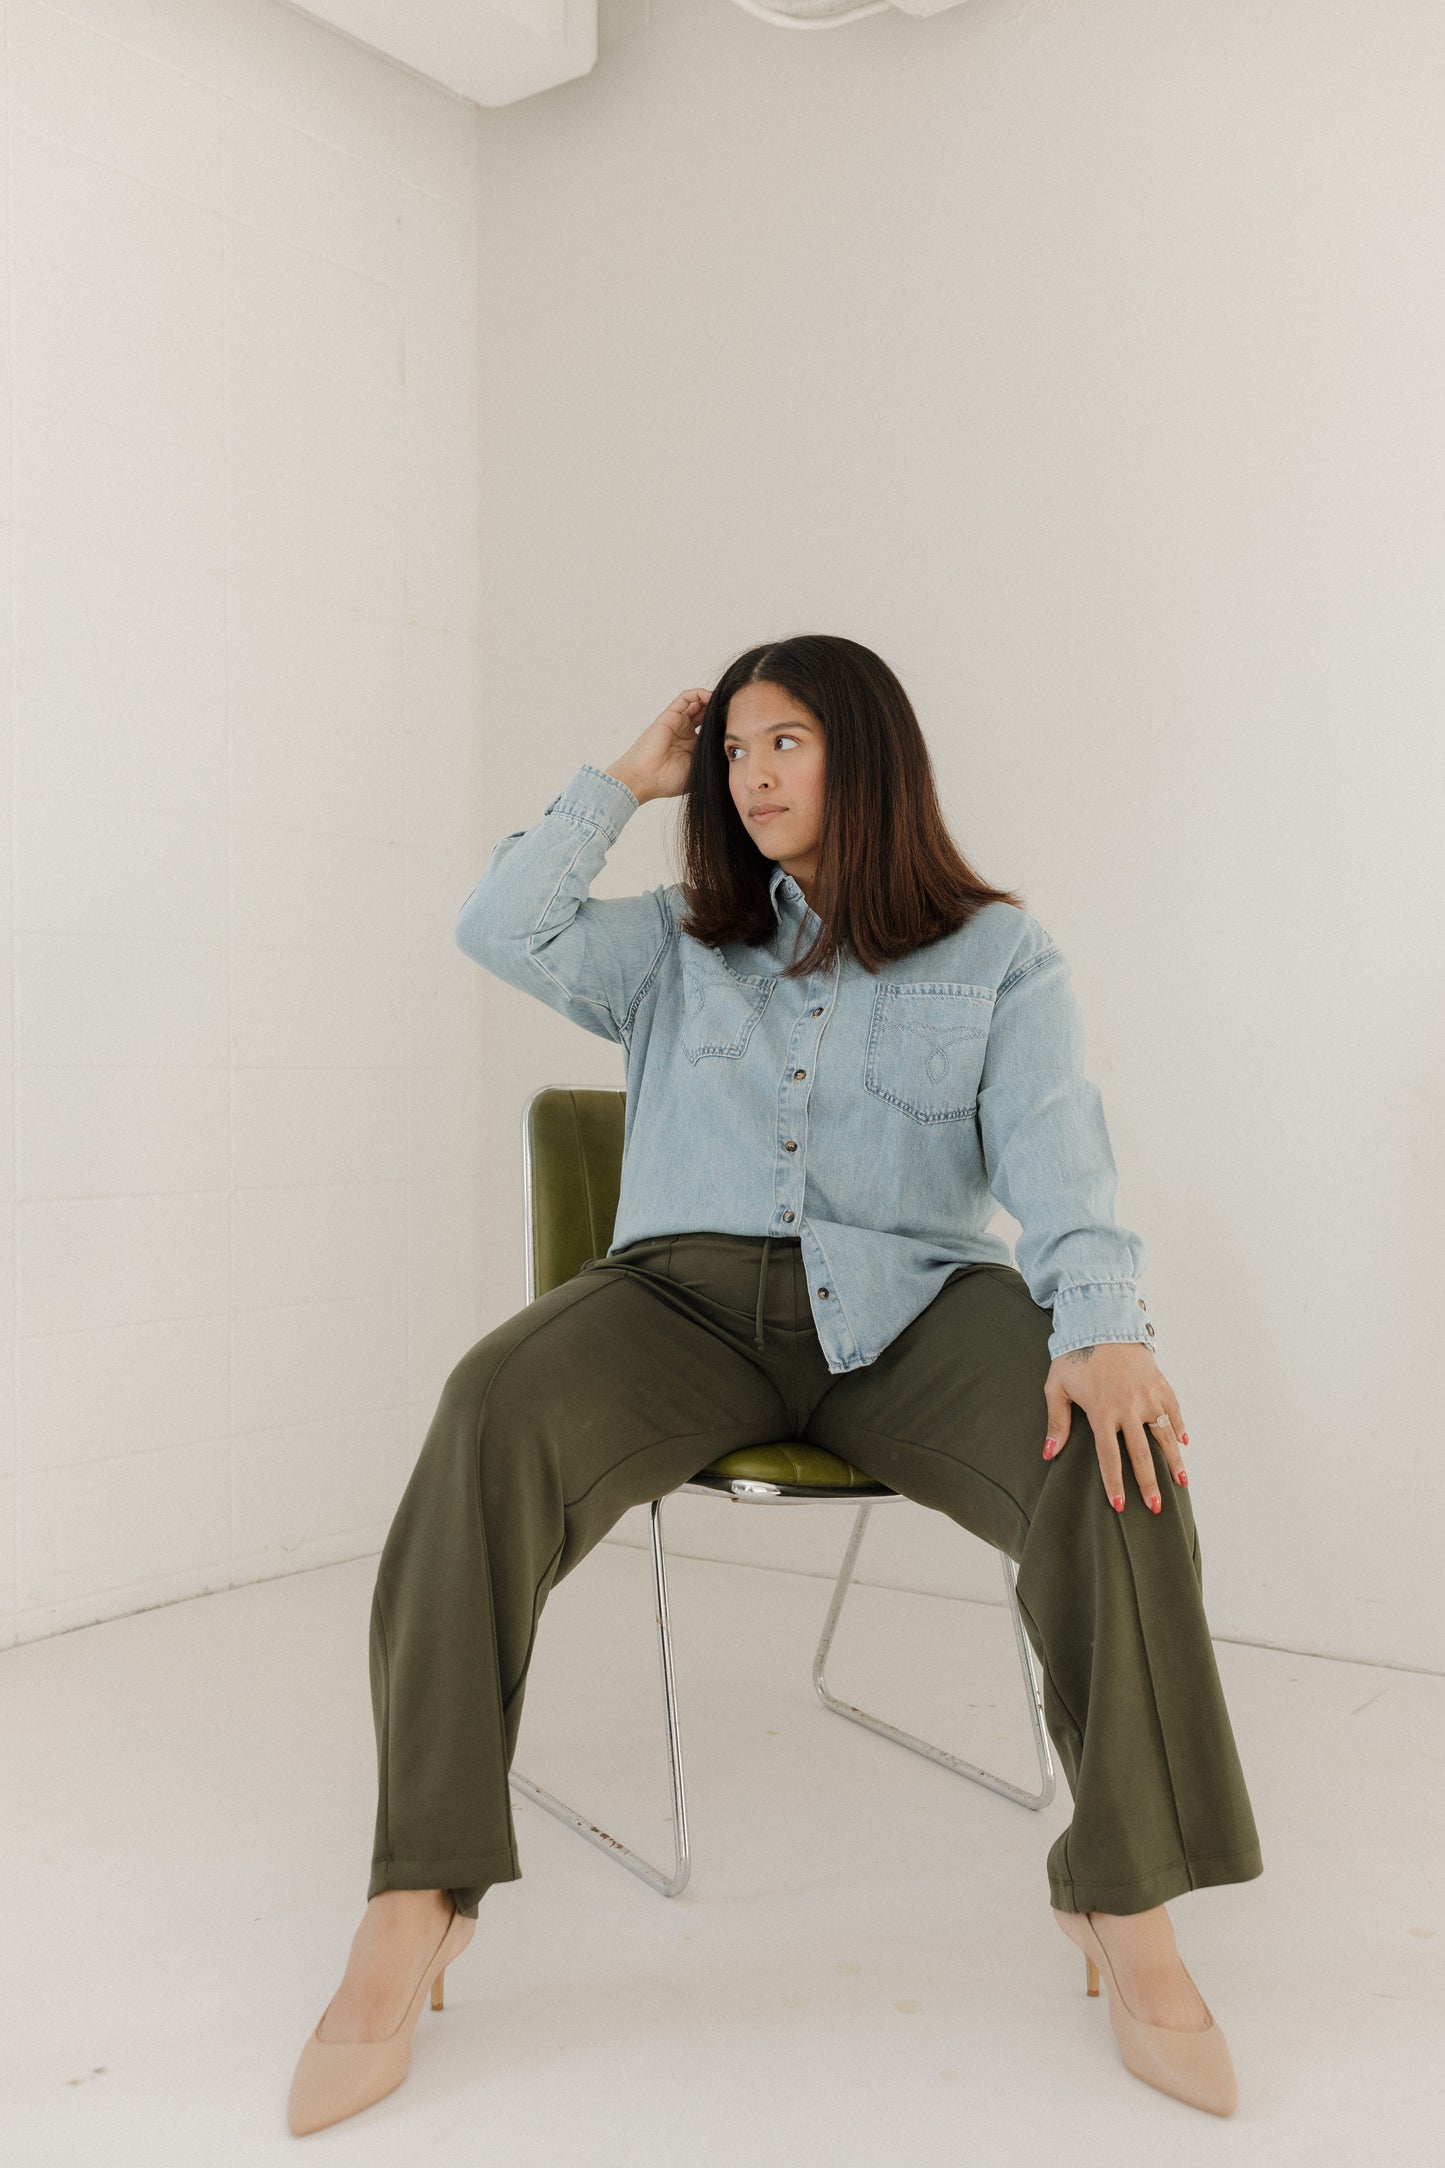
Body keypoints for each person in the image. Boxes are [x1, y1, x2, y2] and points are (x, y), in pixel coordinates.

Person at [287, 634, 1262, 2135]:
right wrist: (625, 780)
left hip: (916, 1308)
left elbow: (1056, 1148)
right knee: (487, 1405)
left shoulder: (997, 952)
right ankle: (416, 1897)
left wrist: (1103, 1323)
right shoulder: (677, 939)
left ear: (866, 751)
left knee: (1112, 1453)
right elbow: (498, 925)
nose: (748, 775)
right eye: (733, 751)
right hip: (676, 1308)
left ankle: (1124, 1897)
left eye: (783, 742)